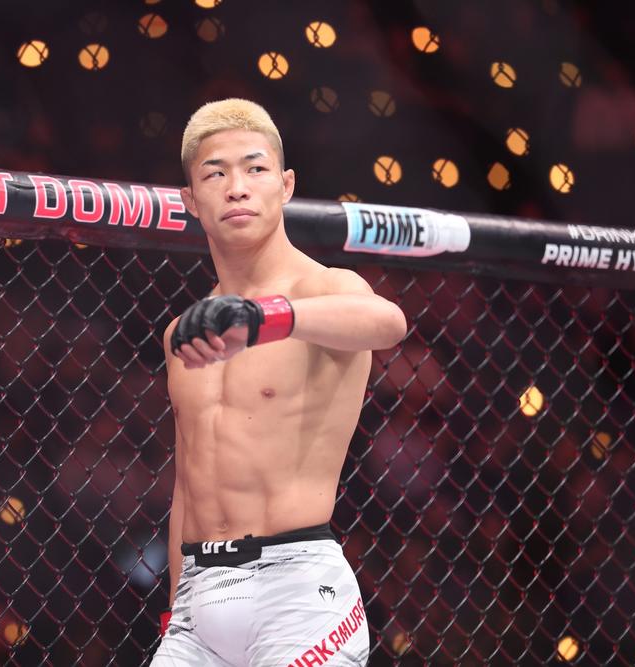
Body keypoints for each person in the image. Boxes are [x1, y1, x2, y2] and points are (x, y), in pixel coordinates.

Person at [149, 99, 407, 666]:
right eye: (215, 174)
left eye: (255, 168)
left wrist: (268, 318)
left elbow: (388, 323)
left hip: (297, 590)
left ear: (286, 185)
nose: (237, 188)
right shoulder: (185, 332)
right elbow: (188, 484)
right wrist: (174, 609)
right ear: (191, 200)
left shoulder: (325, 289)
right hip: (196, 600)